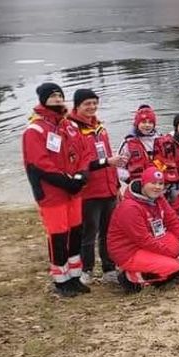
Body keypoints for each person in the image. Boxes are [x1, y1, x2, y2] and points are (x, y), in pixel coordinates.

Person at [23, 82, 91, 297]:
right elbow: (39, 163)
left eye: (60, 95)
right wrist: (67, 182)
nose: (58, 99)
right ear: (43, 100)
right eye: (53, 96)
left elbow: (84, 152)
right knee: (58, 236)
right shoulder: (35, 130)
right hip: (52, 193)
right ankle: (61, 280)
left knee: (76, 233)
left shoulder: (68, 126)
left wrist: (81, 175)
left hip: (74, 191)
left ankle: (75, 276)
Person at [66, 88, 125, 285]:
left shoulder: (99, 127)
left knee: (108, 232)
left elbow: (108, 157)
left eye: (94, 103)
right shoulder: (72, 129)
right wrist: (107, 162)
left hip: (108, 188)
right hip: (89, 191)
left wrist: (116, 185)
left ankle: (109, 269)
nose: (92, 107)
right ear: (77, 106)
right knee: (88, 233)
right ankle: (87, 270)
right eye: (87, 104)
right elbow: (78, 164)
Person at [107, 168, 179, 293]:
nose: (157, 187)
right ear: (144, 183)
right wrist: (177, 256)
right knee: (174, 266)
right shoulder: (129, 207)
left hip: (151, 240)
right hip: (129, 251)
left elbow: (174, 221)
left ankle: (155, 267)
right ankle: (130, 278)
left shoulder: (159, 199)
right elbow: (143, 240)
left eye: (160, 184)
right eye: (153, 183)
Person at [117, 105, 160, 183]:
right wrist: (129, 179)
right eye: (143, 122)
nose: (147, 125)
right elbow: (119, 167)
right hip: (137, 182)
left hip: (157, 181)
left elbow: (165, 161)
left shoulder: (160, 139)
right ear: (137, 124)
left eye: (150, 122)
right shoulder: (128, 142)